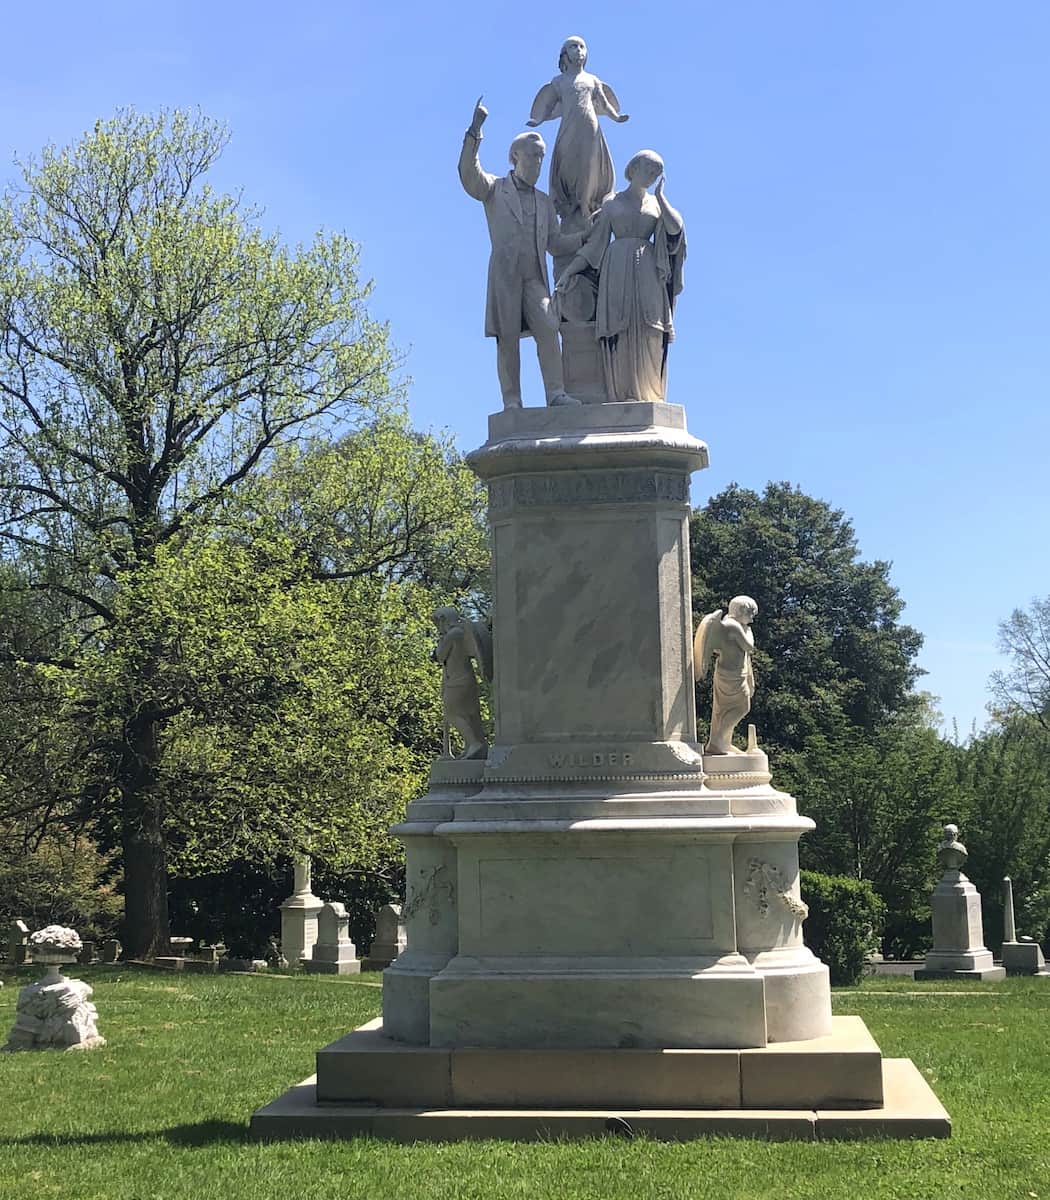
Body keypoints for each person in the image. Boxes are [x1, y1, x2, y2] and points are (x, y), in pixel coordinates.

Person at [458, 98, 586, 409]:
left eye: (542, 157)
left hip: (534, 278)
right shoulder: (495, 188)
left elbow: (555, 244)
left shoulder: (544, 202)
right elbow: (468, 174)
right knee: (508, 339)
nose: (539, 163)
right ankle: (512, 400)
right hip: (505, 276)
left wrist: (586, 236)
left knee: (548, 325)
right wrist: (475, 131)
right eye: (533, 156)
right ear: (516, 157)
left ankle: (556, 394)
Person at [555, 150, 685, 403]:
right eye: (648, 169)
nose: (652, 175)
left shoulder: (656, 205)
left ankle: (649, 394)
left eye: (656, 172)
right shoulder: (612, 203)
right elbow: (595, 246)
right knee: (620, 328)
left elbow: (675, 228)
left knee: (650, 327)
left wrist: (660, 197)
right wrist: (570, 271)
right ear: (634, 168)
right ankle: (622, 394)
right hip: (616, 269)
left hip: (648, 271)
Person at [526, 35, 629, 225]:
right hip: (568, 127)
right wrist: (538, 120)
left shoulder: (592, 80)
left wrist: (616, 117)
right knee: (567, 162)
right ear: (565, 55)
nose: (579, 50)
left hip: (590, 126)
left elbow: (604, 104)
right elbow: (548, 105)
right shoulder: (559, 82)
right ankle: (570, 199)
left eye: (582, 46)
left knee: (588, 164)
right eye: (574, 47)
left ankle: (585, 201)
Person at [693, 596, 759, 755]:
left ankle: (724, 743)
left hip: (737, 674)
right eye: (750, 614)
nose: (751, 619)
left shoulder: (736, 626)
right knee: (742, 707)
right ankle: (716, 743)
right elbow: (749, 646)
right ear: (740, 611)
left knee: (724, 710)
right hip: (730, 676)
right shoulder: (732, 626)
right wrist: (748, 630)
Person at [432, 606, 489, 760]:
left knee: (451, 713)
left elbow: (440, 655)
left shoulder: (453, 634)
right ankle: (473, 747)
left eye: (438, 623)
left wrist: (440, 644)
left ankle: (474, 743)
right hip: (463, 679)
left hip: (458, 681)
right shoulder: (459, 632)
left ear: (445, 620)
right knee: (467, 714)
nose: (437, 627)